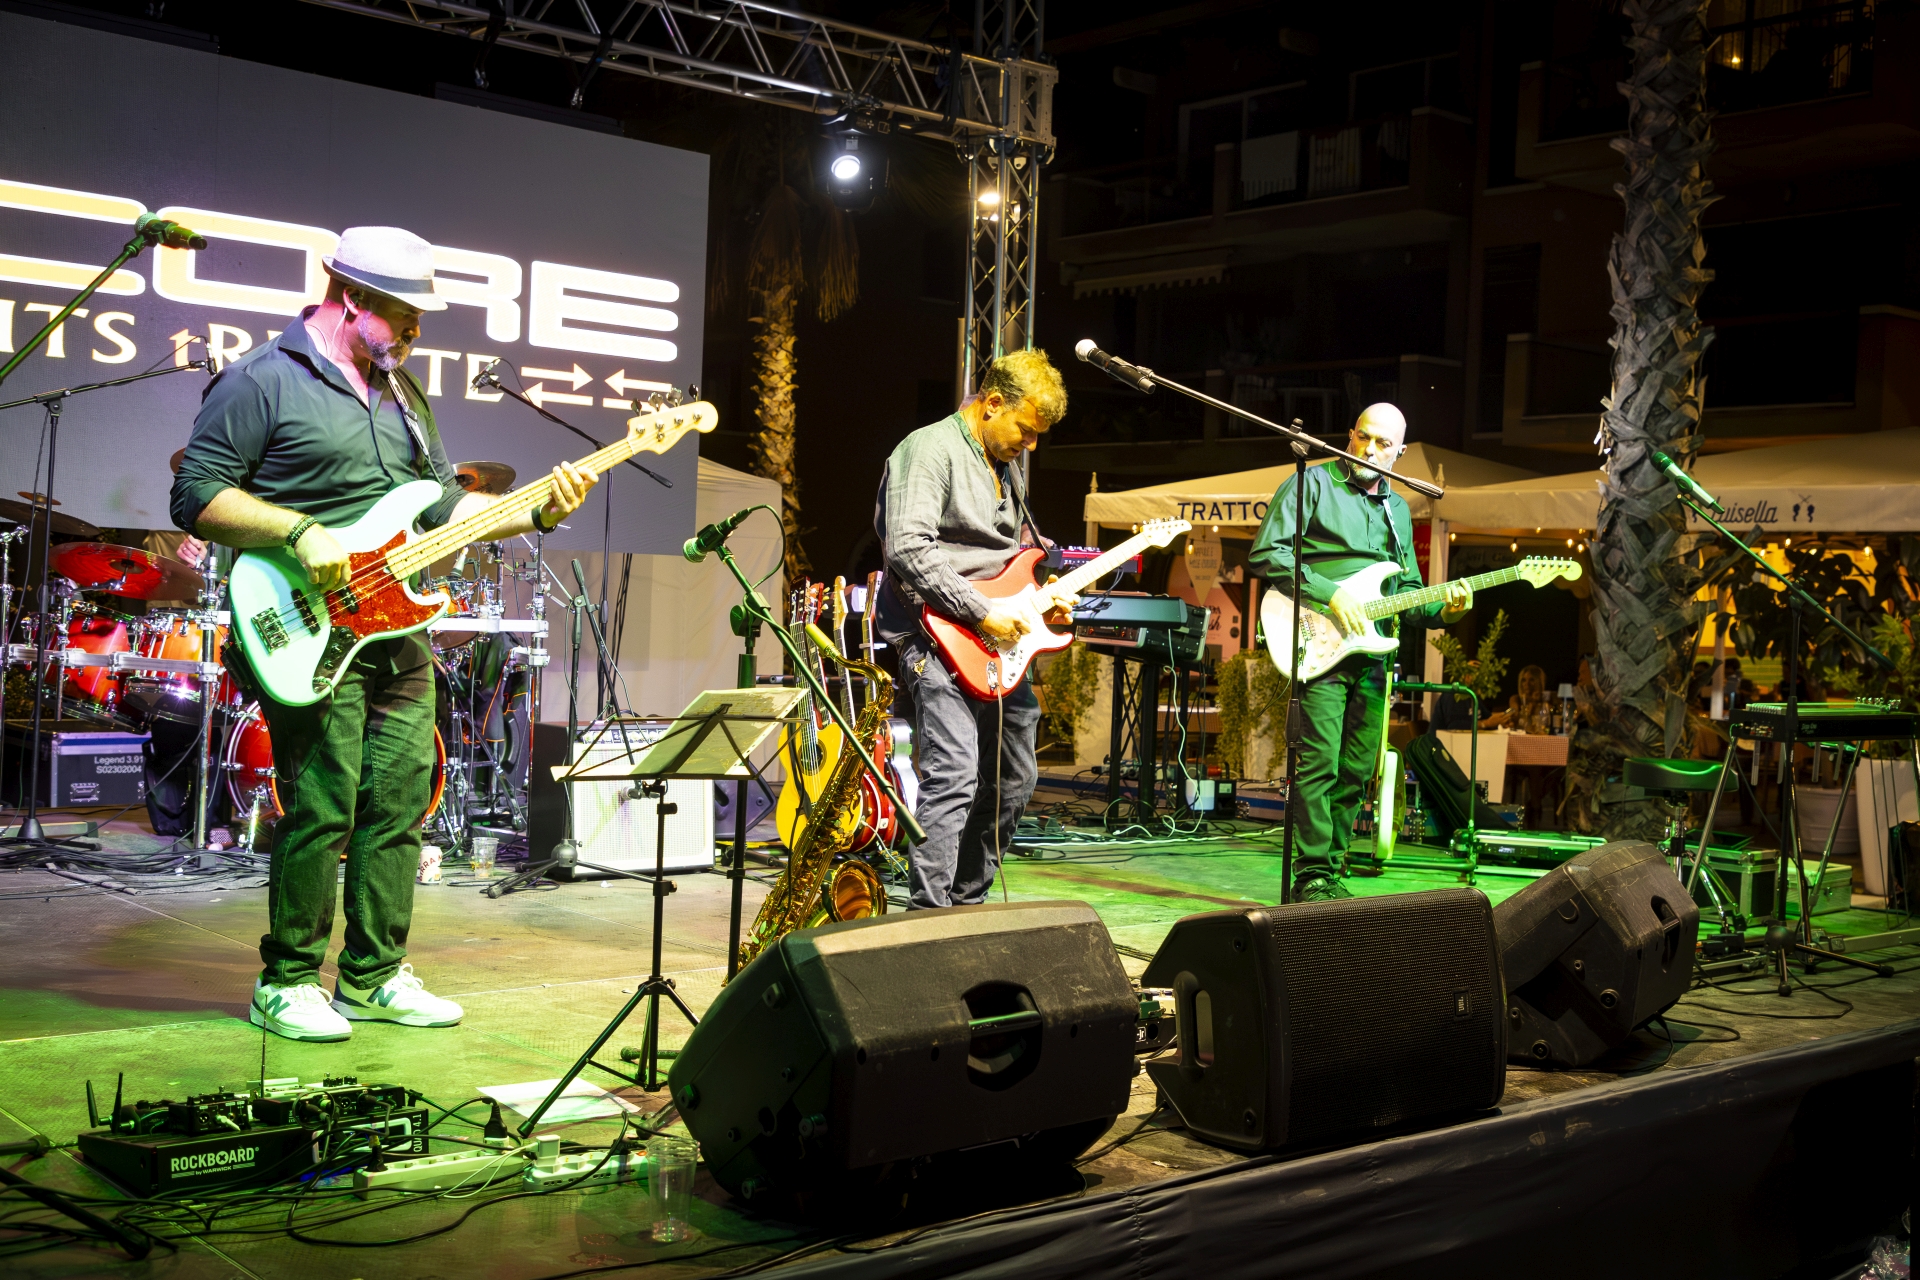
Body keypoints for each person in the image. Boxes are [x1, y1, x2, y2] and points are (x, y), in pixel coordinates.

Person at [170, 226, 605, 1042]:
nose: (416, 331)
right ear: (352, 297)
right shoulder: (262, 380)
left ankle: (372, 976)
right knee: (323, 803)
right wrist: (299, 531)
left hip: (394, 629)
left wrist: (536, 510)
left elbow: (439, 505)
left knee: (402, 799)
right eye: (405, 314)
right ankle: (287, 980)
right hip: (303, 620)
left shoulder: (405, 394)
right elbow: (195, 495)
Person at [872, 349, 1075, 909]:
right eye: (1025, 430)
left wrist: (1042, 603)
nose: (1029, 444)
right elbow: (908, 548)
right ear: (992, 404)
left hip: (995, 639)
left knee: (1014, 780)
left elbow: (1011, 555)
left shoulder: (1004, 464)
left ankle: (967, 906)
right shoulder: (927, 449)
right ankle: (927, 918)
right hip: (936, 634)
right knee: (956, 776)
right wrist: (982, 612)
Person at [1249, 403, 1472, 900]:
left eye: (1382, 444)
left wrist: (1447, 609)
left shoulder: (1397, 509)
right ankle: (1310, 875)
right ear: (1350, 435)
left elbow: (1408, 594)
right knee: (1319, 764)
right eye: (1363, 438)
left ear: (1399, 452)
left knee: (1355, 769)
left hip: (1371, 656)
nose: (1369, 450)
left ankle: (1331, 870)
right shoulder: (1312, 483)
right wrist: (1331, 593)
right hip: (1316, 642)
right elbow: (1267, 553)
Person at [1484, 664, 1552, 733]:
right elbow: (1514, 714)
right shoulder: (1516, 699)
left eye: (1531, 680)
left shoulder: (1547, 701)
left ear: (1539, 682)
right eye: (1523, 680)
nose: (1527, 683)